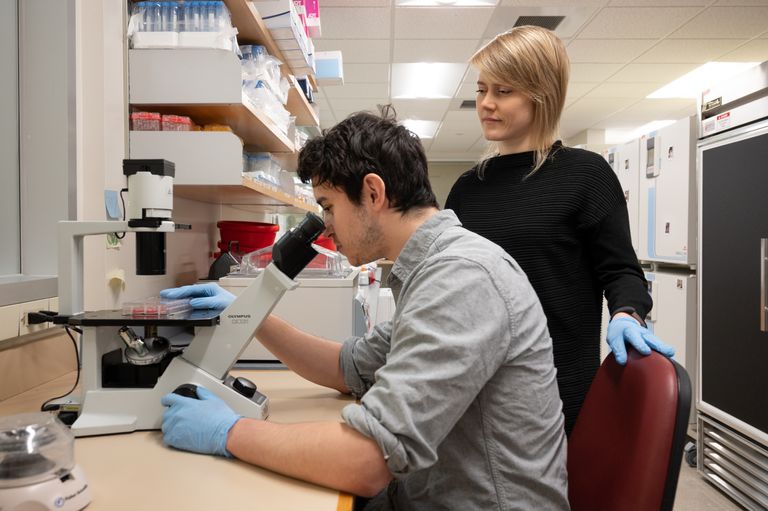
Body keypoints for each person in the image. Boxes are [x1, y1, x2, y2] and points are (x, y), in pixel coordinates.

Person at [159, 109, 570, 510]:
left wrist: (228, 431)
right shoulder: (428, 270)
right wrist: (250, 316)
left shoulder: (462, 277)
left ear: (373, 193)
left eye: (329, 205)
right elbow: (349, 366)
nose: (325, 224)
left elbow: (368, 460)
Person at [445, 26, 675, 436]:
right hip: (473, 387)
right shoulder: (467, 189)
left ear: (541, 93)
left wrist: (627, 313)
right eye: (482, 91)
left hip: (555, 394)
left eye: (503, 91)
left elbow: (621, 271)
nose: (486, 104)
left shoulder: (585, 175)